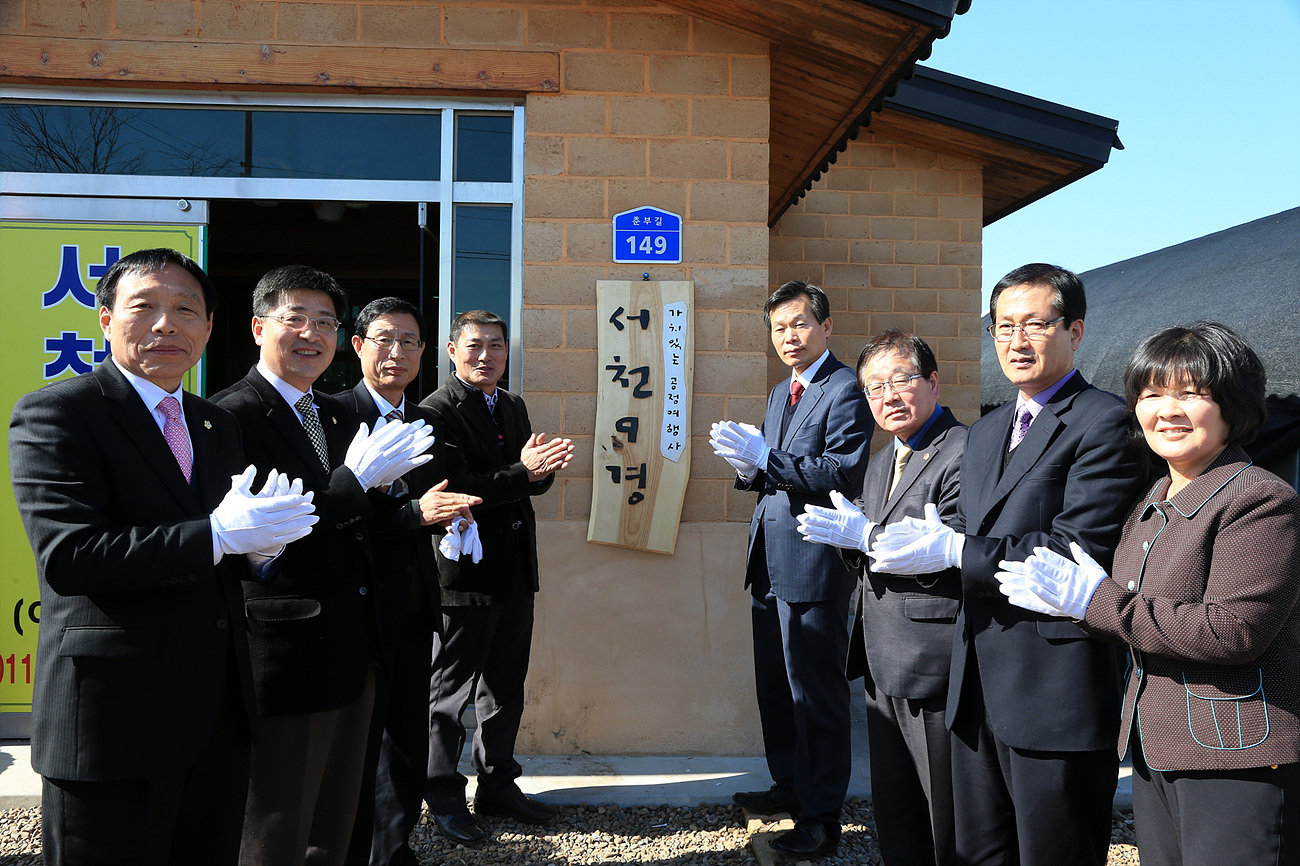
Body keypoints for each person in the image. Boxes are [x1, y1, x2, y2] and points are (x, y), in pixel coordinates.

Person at [9, 248, 317, 865]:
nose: (165, 325)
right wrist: (218, 536)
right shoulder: (60, 412)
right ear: (104, 318)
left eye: (185, 310)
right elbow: (72, 555)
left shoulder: (212, 424)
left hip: (214, 718)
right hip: (113, 720)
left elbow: (225, 547)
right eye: (143, 306)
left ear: (207, 327)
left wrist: (260, 552)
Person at [869, 263, 1149, 866]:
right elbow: (968, 527)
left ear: (1075, 331)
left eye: (1034, 324)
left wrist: (953, 551)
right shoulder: (991, 427)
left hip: (1054, 687)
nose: (1016, 340)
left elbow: (1075, 549)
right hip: (973, 684)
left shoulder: (1106, 422)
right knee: (977, 853)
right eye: (1002, 327)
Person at [997, 321, 1300, 866]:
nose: (1168, 410)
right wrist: (1081, 602)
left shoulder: (1258, 500)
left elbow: (1231, 631)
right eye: (1152, 394)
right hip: (1157, 741)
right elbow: (1126, 607)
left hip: (1235, 752)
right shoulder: (1155, 496)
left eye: (1191, 394)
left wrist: (1094, 601)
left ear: (1233, 404)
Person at [212, 266, 434, 866]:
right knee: (278, 821)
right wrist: (354, 484)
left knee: (338, 819)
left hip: (358, 643)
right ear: (259, 327)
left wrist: (406, 504)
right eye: (295, 319)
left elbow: (369, 519)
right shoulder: (229, 416)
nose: (311, 334)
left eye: (325, 323)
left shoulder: (335, 414)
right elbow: (273, 530)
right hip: (288, 650)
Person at [711, 279, 872, 860]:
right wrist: (747, 465)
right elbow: (778, 469)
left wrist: (767, 459)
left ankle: (822, 816)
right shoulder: (784, 391)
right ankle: (789, 787)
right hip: (769, 558)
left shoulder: (847, 388)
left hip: (814, 561)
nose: (788, 337)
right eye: (778, 328)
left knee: (816, 692)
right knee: (776, 686)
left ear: (826, 326)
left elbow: (840, 471)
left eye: (799, 324)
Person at [798, 328, 965, 866]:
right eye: (874, 388)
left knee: (945, 813)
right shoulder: (877, 461)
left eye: (901, 380)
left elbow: (955, 551)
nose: (888, 397)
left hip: (933, 661)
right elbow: (867, 545)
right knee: (896, 811)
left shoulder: (963, 450)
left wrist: (866, 538)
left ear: (933, 383)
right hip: (880, 658)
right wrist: (852, 541)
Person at [418, 309, 574, 845]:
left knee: (505, 685)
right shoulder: (435, 411)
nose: (487, 356)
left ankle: (498, 784)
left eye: (497, 346)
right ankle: (440, 795)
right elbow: (456, 487)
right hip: (464, 573)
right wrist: (522, 473)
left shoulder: (511, 404)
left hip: (514, 568)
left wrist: (543, 472)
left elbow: (526, 484)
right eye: (475, 346)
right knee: (449, 692)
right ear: (452, 350)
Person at [336, 298, 480, 866]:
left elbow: (433, 496)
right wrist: (413, 515)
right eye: (384, 340)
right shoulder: (333, 414)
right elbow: (338, 514)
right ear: (358, 346)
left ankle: (392, 848)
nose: (397, 353)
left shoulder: (425, 420)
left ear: (426, 352)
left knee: (404, 732)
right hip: (353, 600)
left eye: (409, 342)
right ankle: (349, 846)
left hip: (417, 597)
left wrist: (452, 513)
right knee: (356, 734)